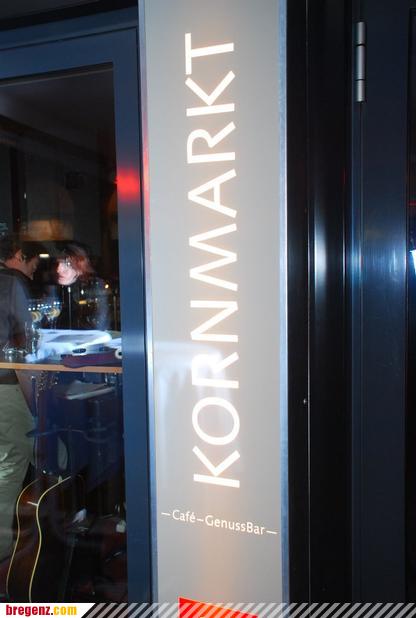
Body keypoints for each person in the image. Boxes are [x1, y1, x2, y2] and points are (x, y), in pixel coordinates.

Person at [0, 234, 38, 561]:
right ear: (18, 255)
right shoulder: (12, 283)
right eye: (34, 263)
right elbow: (22, 344)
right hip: (5, 385)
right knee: (14, 460)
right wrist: (33, 400)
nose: (35, 271)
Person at [54, 242, 109, 331]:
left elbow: (100, 324)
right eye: (59, 263)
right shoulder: (55, 289)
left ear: (81, 267)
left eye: (67, 264)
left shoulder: (93, 287)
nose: (58, 269)